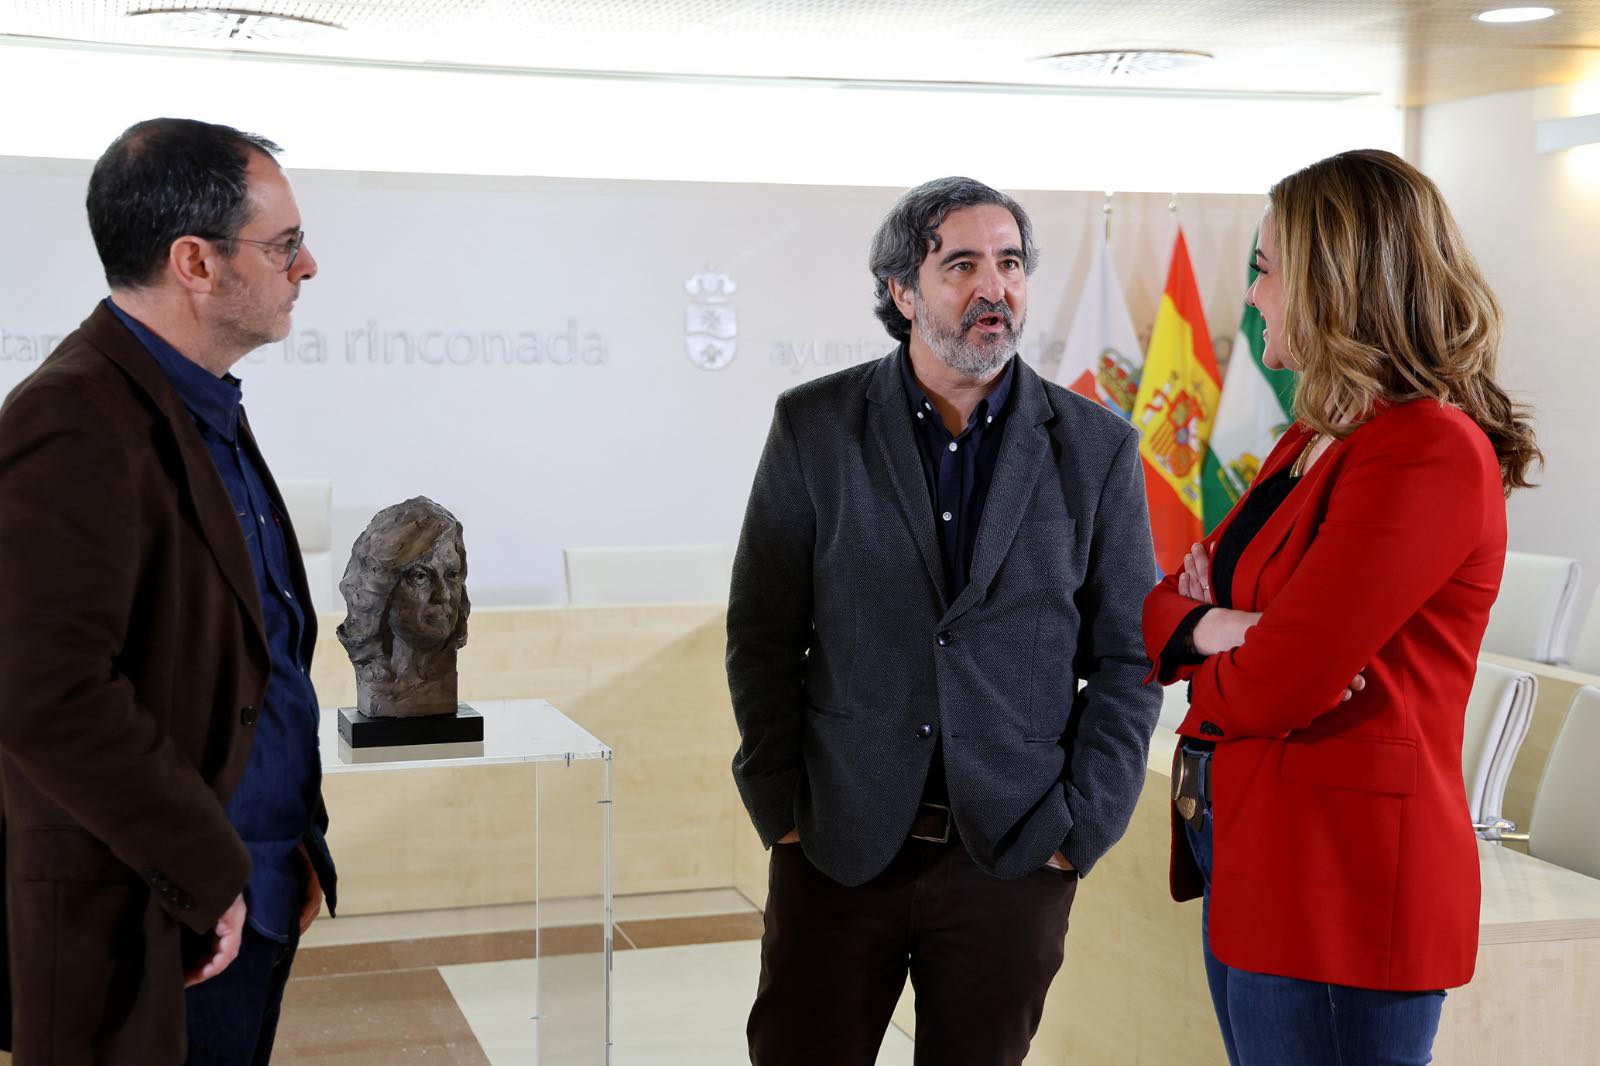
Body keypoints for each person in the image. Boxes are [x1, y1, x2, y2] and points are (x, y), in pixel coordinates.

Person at [727, 175, 1162, 1066]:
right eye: (961, 263)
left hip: (1012, 856)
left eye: (1009, 263)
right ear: (902, 290)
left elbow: (1129, 656)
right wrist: (781, 810)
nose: (993, 287)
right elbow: (763, 633)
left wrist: (1081, 830)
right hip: (839, 847)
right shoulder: (814, 426)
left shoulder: (1096, 447)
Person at [1142, 148, 1541, 1066]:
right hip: (1254, 857)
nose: (1252, 298)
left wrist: (1220, 646)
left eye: (1266, 269)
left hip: (1342, 887)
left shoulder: (1424, 449)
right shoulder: (1316, 435)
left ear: (1333, 282)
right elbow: (1162, 601)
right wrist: (1213, 628)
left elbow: (1282, 683)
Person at [0, 117, 337, 1064]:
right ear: (196, 261)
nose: (306, 268)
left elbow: (248, 653)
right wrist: (212, 870)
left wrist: (288, 843)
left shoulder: (200, 403)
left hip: (244, 896)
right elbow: (45, 690)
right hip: (157, 921)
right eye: (283, 246)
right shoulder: (70, 421)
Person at [336, 496, 471, 717]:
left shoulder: (439, 682)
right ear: (382, 590)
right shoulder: (378, 682)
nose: (443, 594)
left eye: (452, 575)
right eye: (421, 577)